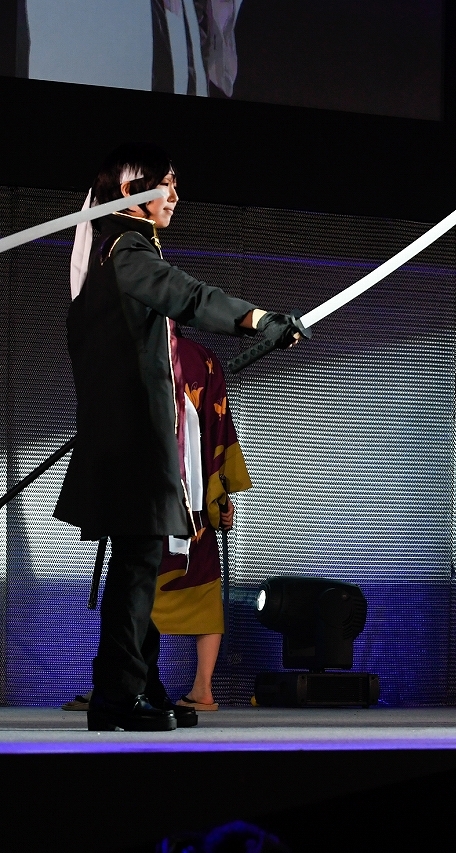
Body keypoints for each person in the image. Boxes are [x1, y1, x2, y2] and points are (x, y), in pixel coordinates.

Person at [54, 142, 304, 732]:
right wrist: (256, 318)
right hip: (132, 441)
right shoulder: (125, 249)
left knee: (135, 567)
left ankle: (137, 686)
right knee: (136, 569)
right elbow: (185, 295)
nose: (174, 195)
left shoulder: (105, 253)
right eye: (166, 183)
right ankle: (118, 697)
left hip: (122, 438)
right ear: (130, 191)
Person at [151, 333, 250, 712]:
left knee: (137, 589)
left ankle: (128, 684)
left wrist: (219, 499)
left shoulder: (133, 352)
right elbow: (217, 430)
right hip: (188, 497)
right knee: (182, 585)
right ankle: (199, 687)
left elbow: (214, 424)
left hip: (158, 497)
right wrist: (218, 493)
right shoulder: (202, 358)